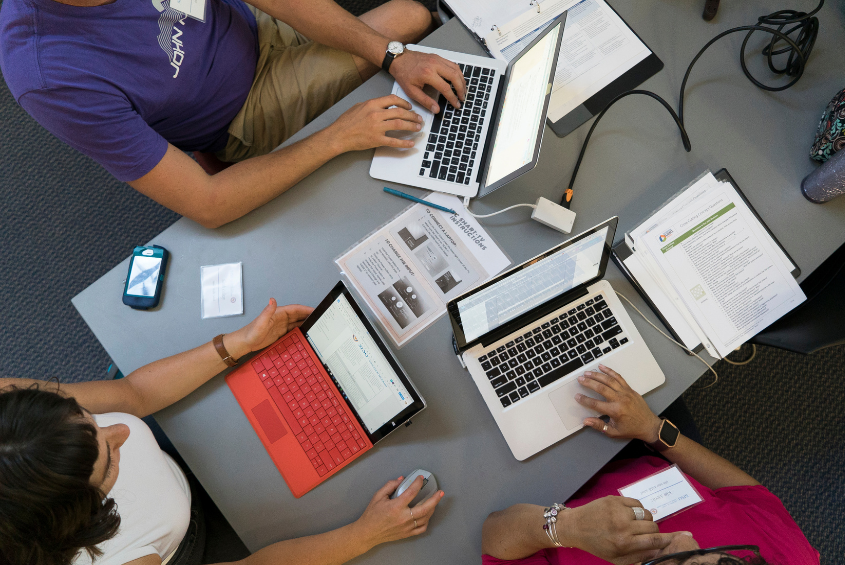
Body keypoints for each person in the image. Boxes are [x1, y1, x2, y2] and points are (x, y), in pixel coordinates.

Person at [0, 298, 444, 565]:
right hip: (190, 544)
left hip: (181, 468)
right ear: (83, 516)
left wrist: (239, 343)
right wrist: (364, 535)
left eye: (87, 416)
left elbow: (132, 395)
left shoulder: (11, 413)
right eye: (108, 460)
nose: (122, 432)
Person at [0, 0, 466, 228]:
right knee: (407, 22)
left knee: (403, 24)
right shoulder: (49, 73)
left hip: (252, 26)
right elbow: (209, 202)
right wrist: (336, 136)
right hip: (244, 111)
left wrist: (388, 55)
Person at [481, 364, 819, 565]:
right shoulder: (791, 560)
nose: (686, 538)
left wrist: (571, 527)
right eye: (723, 560)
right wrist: (655, 431)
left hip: (540, 496)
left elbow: (493, 536)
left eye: (674, 562)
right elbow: (747, 495)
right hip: (639, 447)